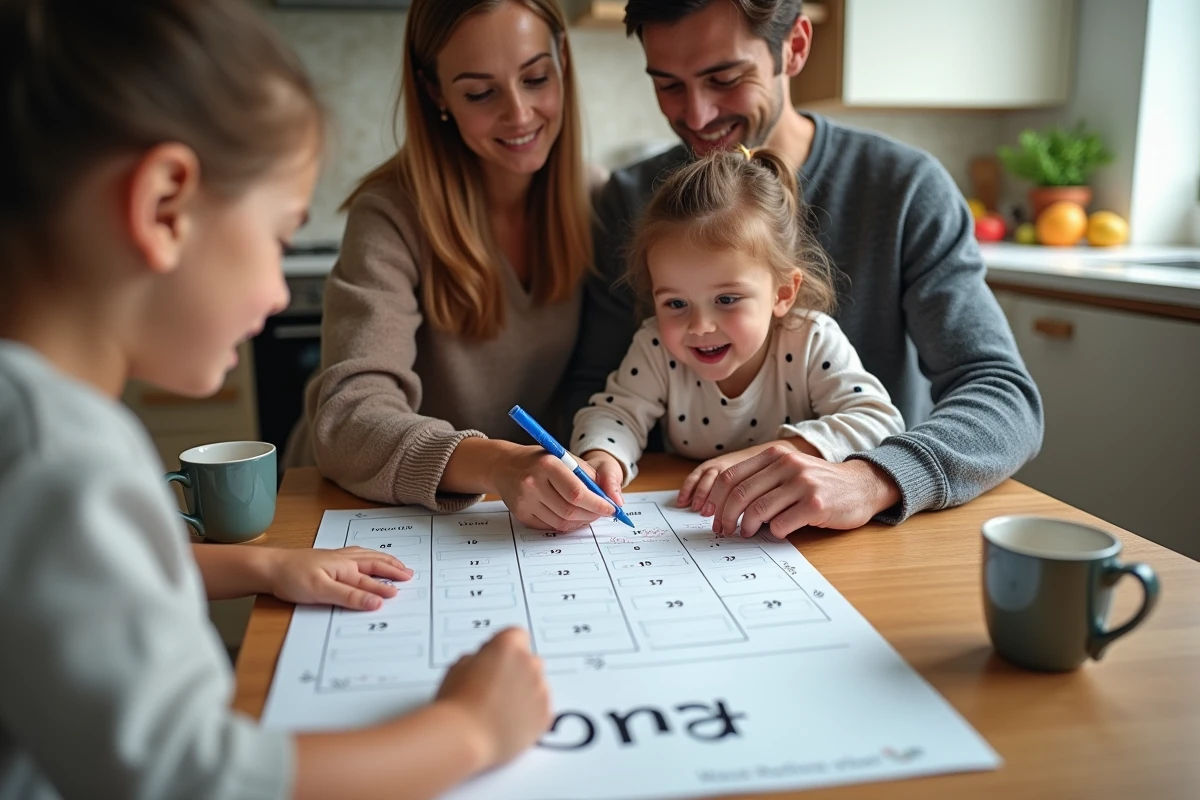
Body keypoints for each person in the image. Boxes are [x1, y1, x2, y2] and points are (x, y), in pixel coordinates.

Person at [0, 2, 550, 798]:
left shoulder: (34, 425)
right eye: (280, 238)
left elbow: (75, 594)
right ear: (164, 207)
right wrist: (468, 730)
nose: (273, 292)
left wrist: (264, 564)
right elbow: (193, 778)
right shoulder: (61, 450)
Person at [567, 0, 1043, 538]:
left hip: (865, 537)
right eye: (668, 85)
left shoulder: (906, 189)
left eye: (724, 78)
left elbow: (1002, 396)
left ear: (794, 47)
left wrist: (873, 479)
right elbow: (602, 391)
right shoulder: (629, 199)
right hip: (689, 530)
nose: (696, 116)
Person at [289, 0, 614, 532]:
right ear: (436, 93)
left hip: (510, 513)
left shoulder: (598, 201)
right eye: (481, 93)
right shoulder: (390, 215)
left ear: (562, 60)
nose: (519, 114)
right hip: (360, 508)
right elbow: (348, 422)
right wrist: (498, 462)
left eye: (535, 78)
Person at [574, 147, 905, 532]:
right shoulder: (655, 347)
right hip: (693, 520)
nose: (700, 326)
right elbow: (616, 414)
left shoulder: (812, 340)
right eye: (676, 303)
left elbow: (880, 421)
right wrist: (602, 459)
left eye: (726, 299)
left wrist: (769, 456)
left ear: (783, 293)